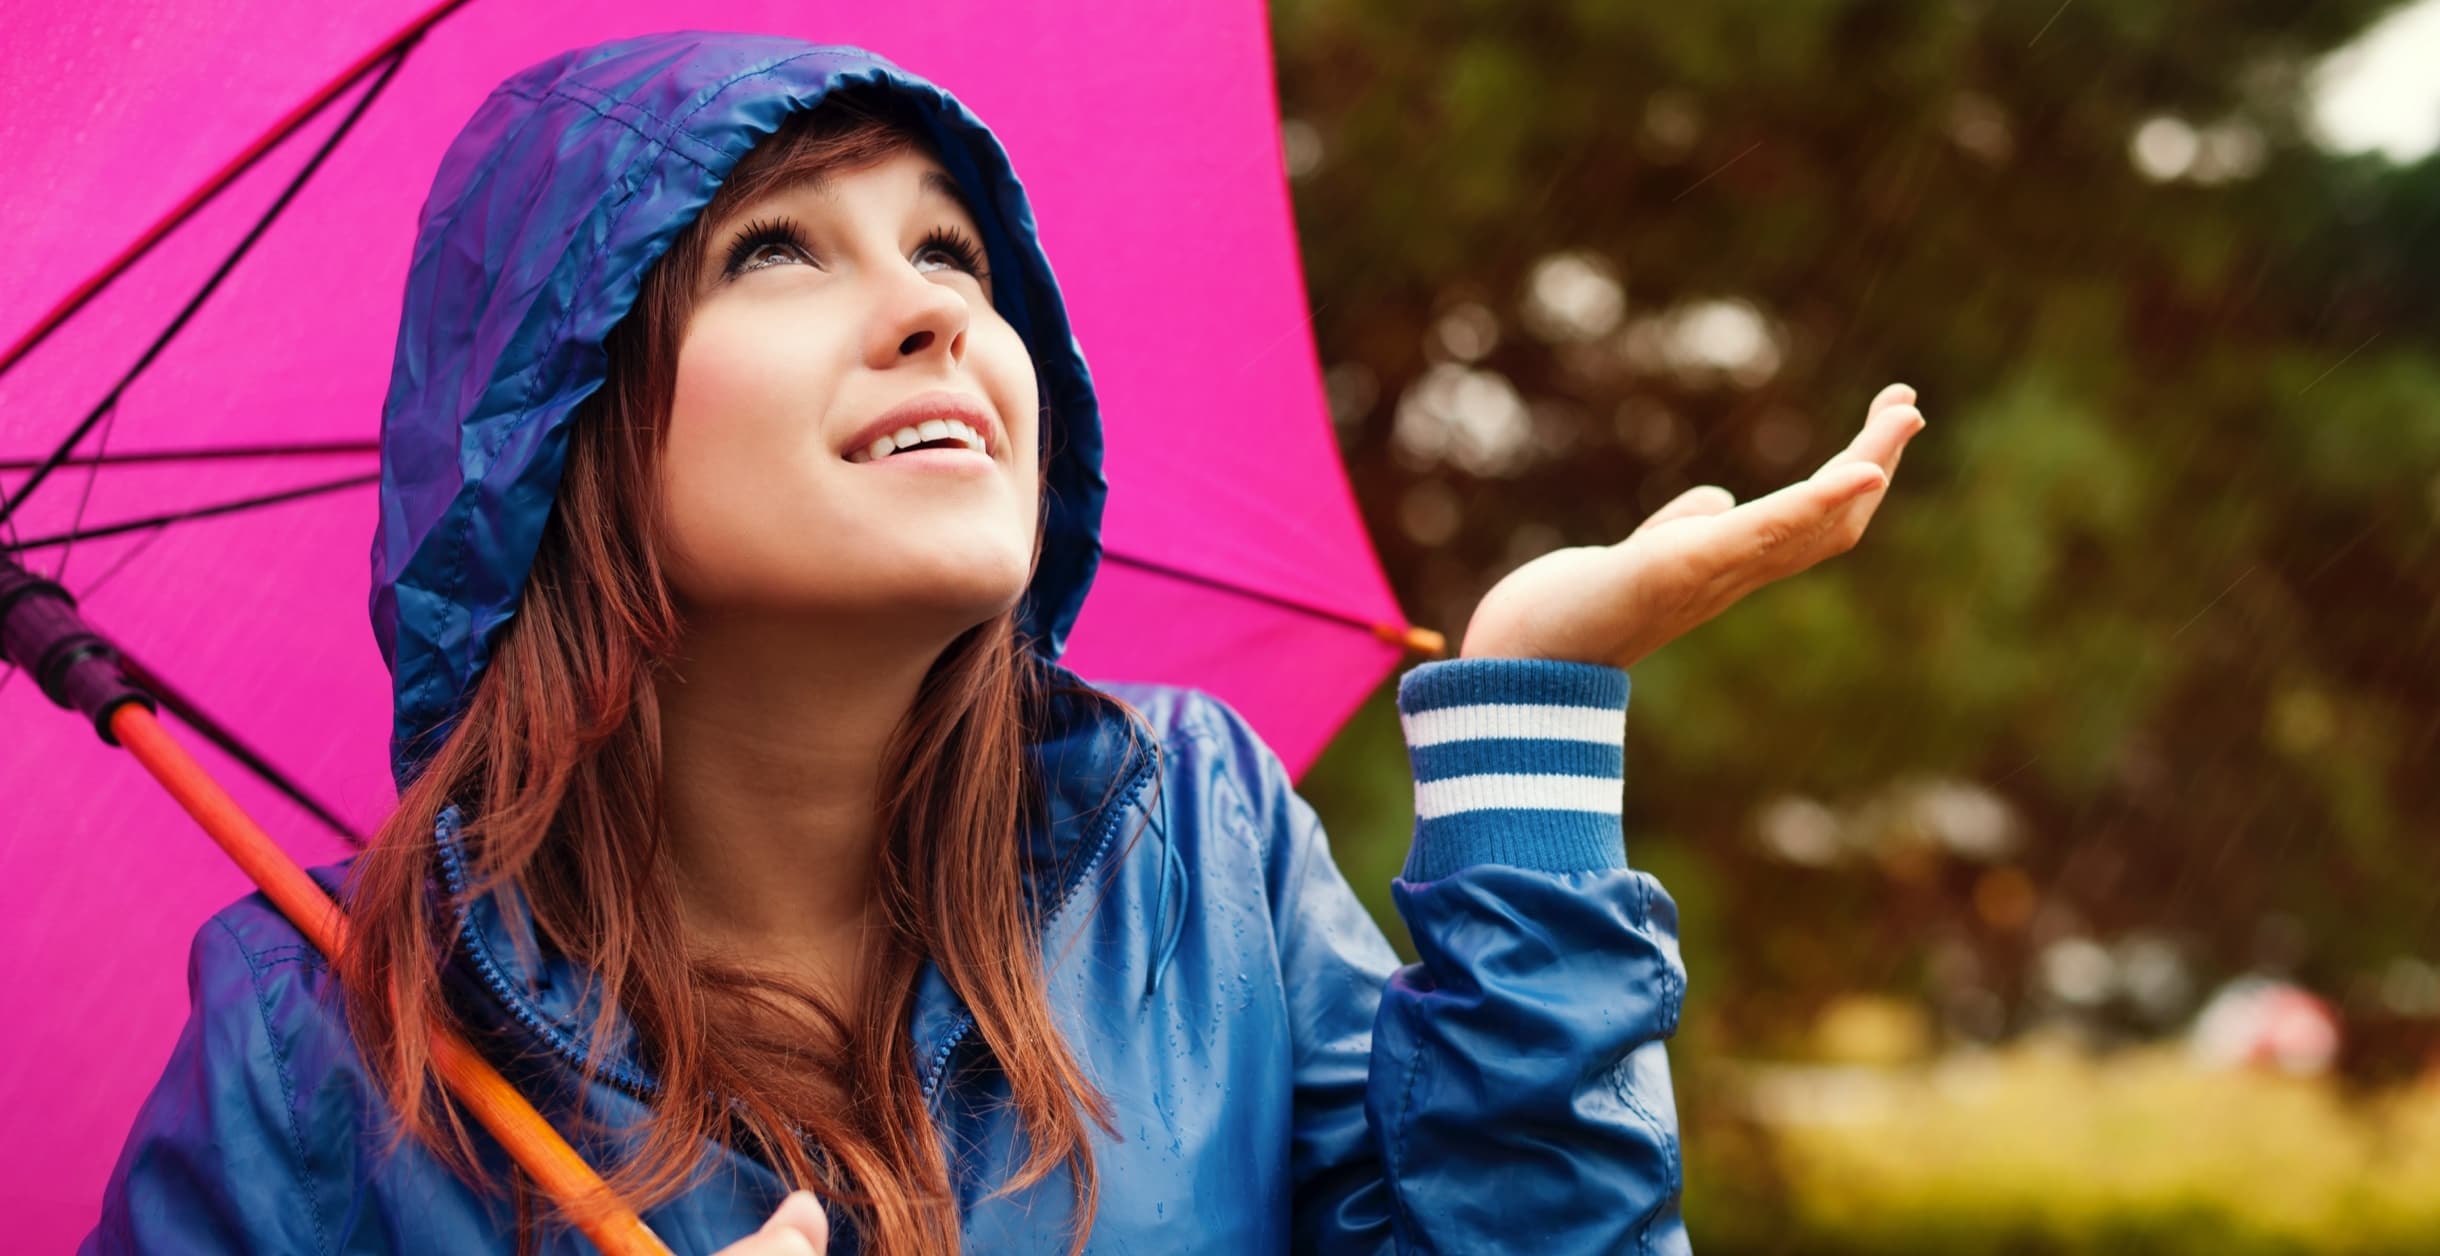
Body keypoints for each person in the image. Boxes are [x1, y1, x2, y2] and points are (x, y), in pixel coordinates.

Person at [80, 30, 1923, 1256]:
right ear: (556, 429)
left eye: (953, 251)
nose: (928, 316)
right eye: (776, 253)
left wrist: (1527, 713)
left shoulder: (1194, 845)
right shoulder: (327, 1036)